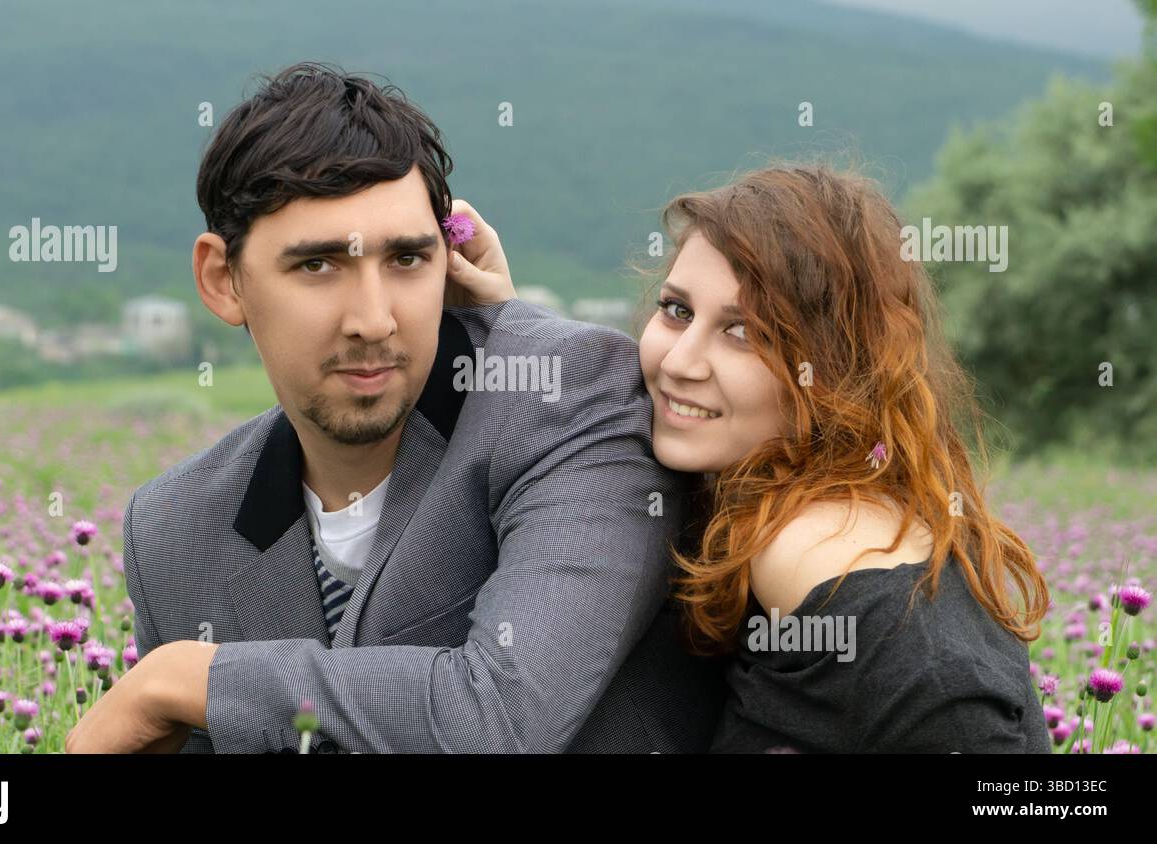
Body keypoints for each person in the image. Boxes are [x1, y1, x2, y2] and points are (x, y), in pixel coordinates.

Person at [65, 62, 723, 754]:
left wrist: (190, 677)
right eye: (317, 266)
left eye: (406, 260)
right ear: (222, 280)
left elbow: (501, 721)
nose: (374, 320)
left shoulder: (566, 397)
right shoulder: (175, 527)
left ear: (450, 258)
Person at [464, 164, 1054, 753]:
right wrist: (510, 322)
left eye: (743, 332)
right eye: (677, 312)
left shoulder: (845, 575)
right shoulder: (755, 502)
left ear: (835, 369)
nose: (679, 363)